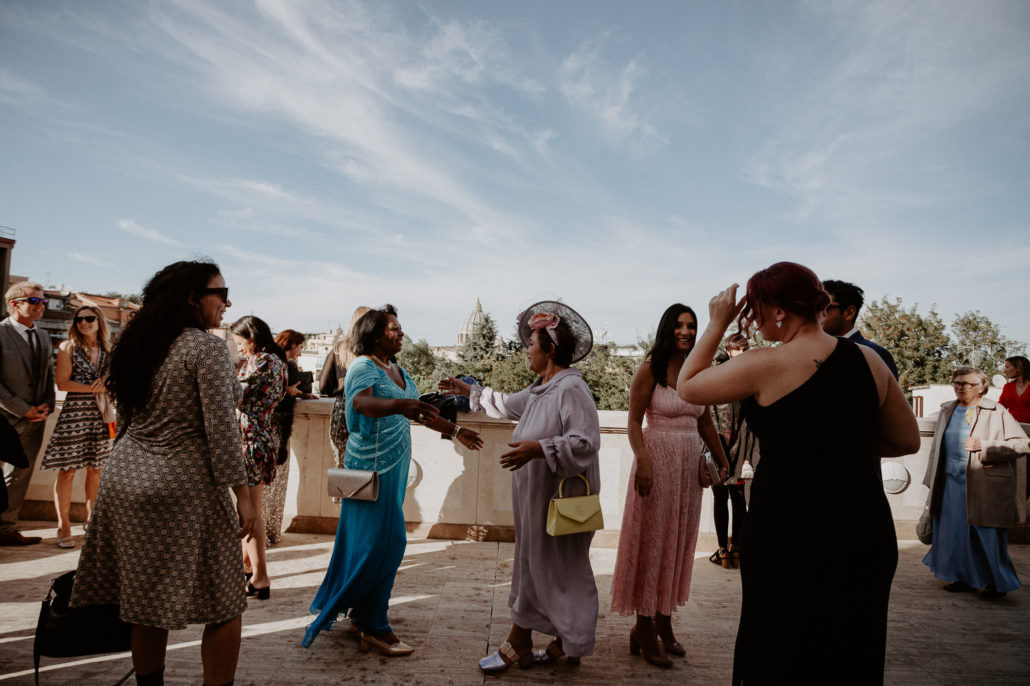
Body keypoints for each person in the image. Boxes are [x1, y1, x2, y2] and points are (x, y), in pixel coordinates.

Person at [676, 262, 920, 685]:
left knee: (777, 648)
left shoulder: (763, 364)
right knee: (850, 650)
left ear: (780, 311)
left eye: (754, 310)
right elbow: (906, 440)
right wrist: (839, 448)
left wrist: (716, 323)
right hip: (862, 529)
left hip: (787, 530)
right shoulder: (870, 361)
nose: (751, 321)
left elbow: (689, 386)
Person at [71, 261, 256, 686]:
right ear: (192, 298)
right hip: (184, 486)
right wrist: (243, 495)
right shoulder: (204, 348)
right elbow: (222, 432)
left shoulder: (139, 345)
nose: (228, 302)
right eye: (221, 293)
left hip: (127, 480)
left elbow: (129, 420)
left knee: (144, 601)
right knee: (227, 601)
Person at [303, 305, 482, 654]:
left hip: (394, 466)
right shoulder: (362, 366)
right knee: (386, 543)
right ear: (374, 334)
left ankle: (364, 614)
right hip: (370, 467)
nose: (401, 333)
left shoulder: (396, 368)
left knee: (376, 544)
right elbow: (362, 403)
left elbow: (415, 410)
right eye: (393, 329)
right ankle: (375, 625)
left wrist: (455, 429)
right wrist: (401, 405)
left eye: (401, 328)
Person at [439, 301, 601, 672]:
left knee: (553, 569)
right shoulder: (544, 388)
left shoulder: (570, 389)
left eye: (531, 344)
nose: (526, 349)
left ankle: (520, 641)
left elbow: (586, 442)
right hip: (536, 502)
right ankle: (565, 641)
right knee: (543, 568)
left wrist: (538, 449)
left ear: (550, 350)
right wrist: (468, 390)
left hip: (558, 502)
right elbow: (506, 404)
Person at [610, 304, 730, 667]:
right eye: (679, 325)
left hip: (687, 471)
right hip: (656, 464)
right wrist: (643, 460)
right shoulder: (650, 368)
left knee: (677, 544)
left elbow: (705, 421)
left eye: (692, 326)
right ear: (667, 329)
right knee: (653, 544)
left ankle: (663, 622)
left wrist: (722, 460)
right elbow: (633, 421)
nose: (687, 331)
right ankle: (643, 626)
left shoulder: (697, 369)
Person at [921, 366, 1029, 599]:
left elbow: (1022, 444)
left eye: (966, 384)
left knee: (986, 536)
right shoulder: (946, 410)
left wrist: (986, 446)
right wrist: (931, 479)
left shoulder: (996, 411)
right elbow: (937, 449)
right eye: (956, 383)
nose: (959, 387)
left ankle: (997, 583)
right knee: (953, 535)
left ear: (981, 387)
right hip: (950, 484)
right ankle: (962, 578)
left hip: (985, 484)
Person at [40, 305, 113, 548]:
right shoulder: (67, 347)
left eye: (89, 318)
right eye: (79, 319)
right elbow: (62, 383)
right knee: (68, 471)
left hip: (100, 415)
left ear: (98, 320)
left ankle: (91, 522)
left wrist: (107, 383)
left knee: (96, 470)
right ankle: (64, 525)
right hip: (74, 414)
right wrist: (101, 387)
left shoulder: (108, 349)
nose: (83, 323)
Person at [230, 315, 288, 600]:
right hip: (262, 437)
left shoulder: (260, 361)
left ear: (251, 338)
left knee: (250, 513)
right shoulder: (277, 362)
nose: (238, 348)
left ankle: (261, 577)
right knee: (253, 509)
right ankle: (245, 567)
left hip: (249, 440)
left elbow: (232, 395)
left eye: (239, 342)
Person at [0, 281, 54, 546]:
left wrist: (47, 405)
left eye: (43, 302)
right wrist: (22, 409)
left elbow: (48, 375)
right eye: (34, 301)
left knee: (19, 476)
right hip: (4, 418)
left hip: (35, 420)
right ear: (14, 304)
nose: (40, 306)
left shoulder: (43, 336)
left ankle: (6, 529)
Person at [709, 332, 759, 569]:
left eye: (745, 349)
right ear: (729, 349)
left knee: (735, 499)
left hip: (732, 447)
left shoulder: (735, 375)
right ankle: (728, 551)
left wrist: (747, 454)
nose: (742, 353)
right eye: (738, 349)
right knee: (726, 498)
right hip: (723, 447)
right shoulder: (730, 374)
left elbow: (748, 421)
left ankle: (730, 550)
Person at [264, 329, 315, 545]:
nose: (300, 352)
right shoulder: (277, 364)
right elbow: (269, 394)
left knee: (274, 482)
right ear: (291, 344)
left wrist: (300, 393)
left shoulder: (275, 362)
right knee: (271, 482)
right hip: (273, 429)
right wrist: (291, 393)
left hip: (276, 429)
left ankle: (268, 531)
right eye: (300, 346)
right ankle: (267, 531)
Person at [320, 306, 371, 465]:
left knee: (342, 465)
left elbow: (323, 386)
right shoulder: (374, 351)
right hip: (368, 411)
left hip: (342, 411)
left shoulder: (338, 349)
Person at [821, 279, 899, 378]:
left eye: (823, 307)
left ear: (849, 313)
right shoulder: (814, 352)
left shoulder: (875, 355)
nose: (816, 314)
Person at [998, 355, 1030, 424]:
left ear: (1018, 368)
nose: (1004, 370)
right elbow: (1000, 408)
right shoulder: (1007, 387)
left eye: (1007, 367)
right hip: (1011, 428)